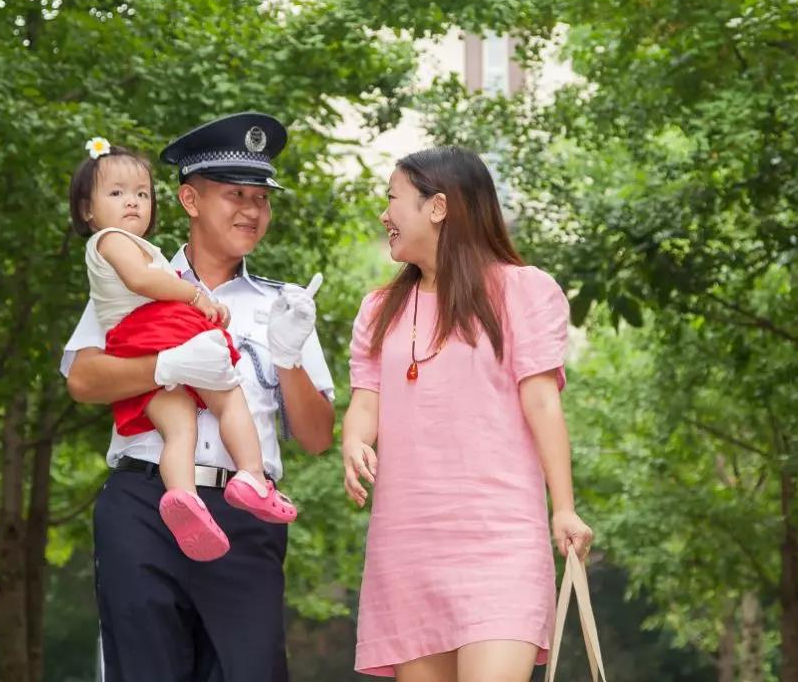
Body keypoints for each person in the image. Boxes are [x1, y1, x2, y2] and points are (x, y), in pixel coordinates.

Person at [60, 112, 335, 682]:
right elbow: (84, 381)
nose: (252, 210)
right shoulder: (135, 274)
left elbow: (315, 437)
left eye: (261, 198)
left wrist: (287, 357)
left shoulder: (283, 304)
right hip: (143, 503)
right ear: (189, 198)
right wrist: (164, 366)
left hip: (244, 514)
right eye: (235, 194)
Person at [342, 145, 594, 681]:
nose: (384, 215)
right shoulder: (378, 309)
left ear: (437, 208)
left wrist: (564, 508)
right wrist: (355, 441)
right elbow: (366, 400)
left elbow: (543, 402)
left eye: (393, 200)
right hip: (408, 546)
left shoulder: (524, 291)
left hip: (500, 540)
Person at [68, 137, 298, 563]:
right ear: (87, 209)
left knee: (179, 428)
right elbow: (142, 283)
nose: (132, 203)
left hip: (137, 337)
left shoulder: (124, 247)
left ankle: (182, 497)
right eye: (116, 193)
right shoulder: (115, 241)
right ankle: (251, 475)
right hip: (159, 327)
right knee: (228, 395)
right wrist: (194, 297)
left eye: (141, 194)